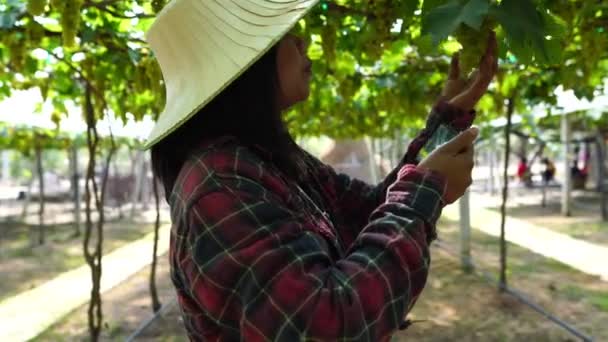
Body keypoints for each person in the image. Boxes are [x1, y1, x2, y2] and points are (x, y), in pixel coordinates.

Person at [145, 1, 497, 340]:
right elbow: (331, 325)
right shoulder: (219, 188)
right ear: (245, 64)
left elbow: (368, 211)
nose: (302, 40)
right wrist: (424, 192)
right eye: (283, 33)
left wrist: (446, 122)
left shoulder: (264, 159)